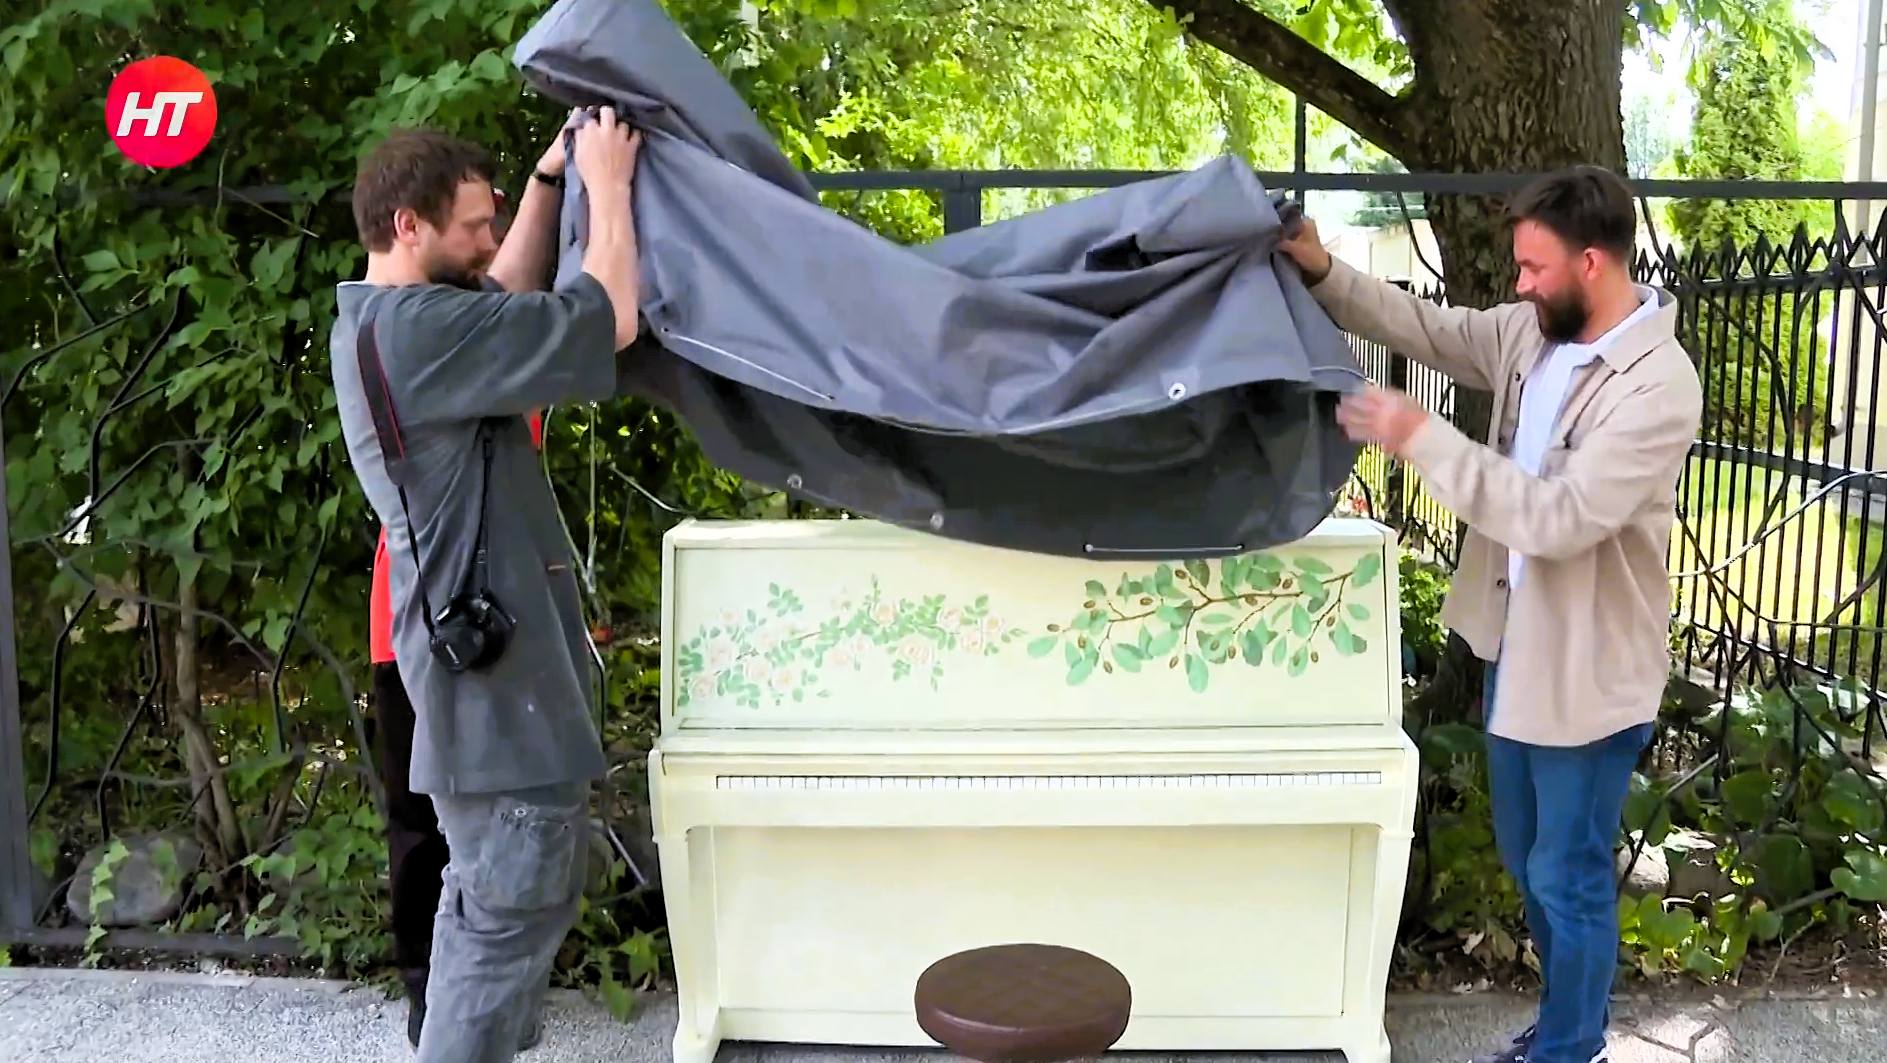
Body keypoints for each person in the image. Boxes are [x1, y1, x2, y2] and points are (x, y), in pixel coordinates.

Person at [1277, 166, 1703, 1063]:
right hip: (1515, 651)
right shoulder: (1528, 332)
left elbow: (1556, 521)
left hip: (1590, 672)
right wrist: (1320, 270)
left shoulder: (1657, 385)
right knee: (1525, 857)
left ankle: (1569, 1046)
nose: (1518, 283)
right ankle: (1563, 1024)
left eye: (1533, 267)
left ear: (1592, 263)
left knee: (1565, 873)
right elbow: (1427, 327)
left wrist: (1418, 436)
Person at [332, 107, 644, 1063]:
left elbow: (505, 288)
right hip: (495, 700)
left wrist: (550, 181)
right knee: (505, 911)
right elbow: (611, 318)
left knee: (496, 902)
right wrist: (609, 183)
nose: (489, 238)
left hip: (480, 684)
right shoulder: (419, 331)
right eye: (473, 223)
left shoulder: (396, 320)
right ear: (407, 226)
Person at [368, 409, 544, 1051]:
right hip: (414, 623)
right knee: (419, 820)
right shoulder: (413, 358)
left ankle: (498, 999)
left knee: (511, 813)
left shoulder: (512, 364)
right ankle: (430, 999)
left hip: (499, 624)